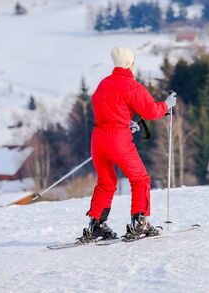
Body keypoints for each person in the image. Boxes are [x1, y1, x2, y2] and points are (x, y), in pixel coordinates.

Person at [79, 47, 177, 242]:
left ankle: (96, 225)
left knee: (106, 182)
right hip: (118, 139)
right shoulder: (131, 86)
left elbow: (109, 108)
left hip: (98, 138)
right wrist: (167, 105)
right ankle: (139, 222)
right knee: (140, 179)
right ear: (130, 63)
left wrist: (127, 122)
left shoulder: (103, 84)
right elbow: (151, 111)